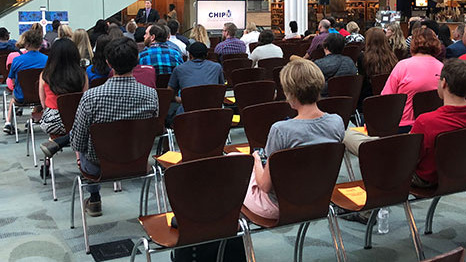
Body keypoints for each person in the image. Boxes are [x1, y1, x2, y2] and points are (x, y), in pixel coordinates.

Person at [243, 59, 345, 219]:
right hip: (319, 199)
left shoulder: (281, 130)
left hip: (279, 206)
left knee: (234, 172)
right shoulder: (337, 122)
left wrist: (256, 158)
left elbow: (264, 186)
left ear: (290, 92)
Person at [70, 37, 159, 217]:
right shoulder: (151, 95)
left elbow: (78, 144)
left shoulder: (91, 97)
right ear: (137, 61)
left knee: (83, 148)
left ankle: (94, 197)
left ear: (108, 62)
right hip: (138, 161)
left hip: (98, 166)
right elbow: (152, 132)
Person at [409, 58, 466, 187]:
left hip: (430, 179)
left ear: (443, 83)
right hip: (465, 171)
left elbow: (412, 156)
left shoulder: (426, 122)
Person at [382, 27, 444, 132]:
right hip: (433, 126)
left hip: (403, 126)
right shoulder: (442, 68)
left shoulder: (402, 66)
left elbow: (386, 99)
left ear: (413, 43)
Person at [38, 38, 89, 158]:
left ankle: (52, 151)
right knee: (81, 126)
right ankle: (78, 157)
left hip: (53, 122)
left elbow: (43, 104)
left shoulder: (45, 75)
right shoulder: (82, 75)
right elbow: (85, 100)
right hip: (77, 120)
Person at [4, 29, 48, 133]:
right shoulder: (47, 60)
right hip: (42, 97)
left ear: (26, 44)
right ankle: (33, 118)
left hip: (22, 96)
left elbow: (13, 80)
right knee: (39, 94)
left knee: (13, 100)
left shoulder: (17, 60)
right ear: (40, 44)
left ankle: (8, 123)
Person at [168, 42, 225, 115]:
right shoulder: (217, 67)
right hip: (212, 113)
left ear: (190, 55)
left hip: (187, 114)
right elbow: (221, 90)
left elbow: (170, 93)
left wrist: (180, 100)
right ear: (207, 55)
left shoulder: (179, 69)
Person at [357, 27, 398, 104]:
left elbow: (362, 79)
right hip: (389, 97)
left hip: (368, 98)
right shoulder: (392, 56)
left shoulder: (363, 57)